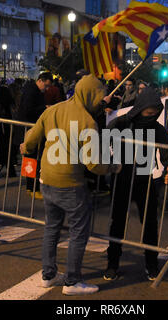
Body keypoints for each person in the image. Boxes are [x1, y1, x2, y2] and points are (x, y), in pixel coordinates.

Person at [21, 74, 121, 295]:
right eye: (98, 97)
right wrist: (113, 167)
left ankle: (48, 275)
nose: (99, 101)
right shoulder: (87, 122)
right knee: (78, 232)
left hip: (46, 178)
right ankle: (72, 281)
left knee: (51, 227)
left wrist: (25, 148)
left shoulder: (53, 110)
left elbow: (31, 140)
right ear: (90, 95)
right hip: (70, 184)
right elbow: (94, 164)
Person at [103, 87, 168, 282]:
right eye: (148, 113)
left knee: (150, 224)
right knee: (117, 223)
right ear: (140, 107)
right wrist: (107, 164)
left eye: (154, 114)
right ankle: (112, 264)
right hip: (121, 178)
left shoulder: (157, 129)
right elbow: (102, 141)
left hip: (145, 178)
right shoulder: (121, 122)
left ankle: (152, 265)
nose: (151, 116)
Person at [18, 72, 53, 196]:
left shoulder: (35, 91)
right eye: (46, 86)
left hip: (32, 127)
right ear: (40, 81)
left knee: (31, 157)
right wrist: (44, 108)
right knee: (30, 158)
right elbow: (28, 110)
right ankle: (31, 187)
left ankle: (32, 186)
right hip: (29, 127)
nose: (47, 89)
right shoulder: (31, 92)